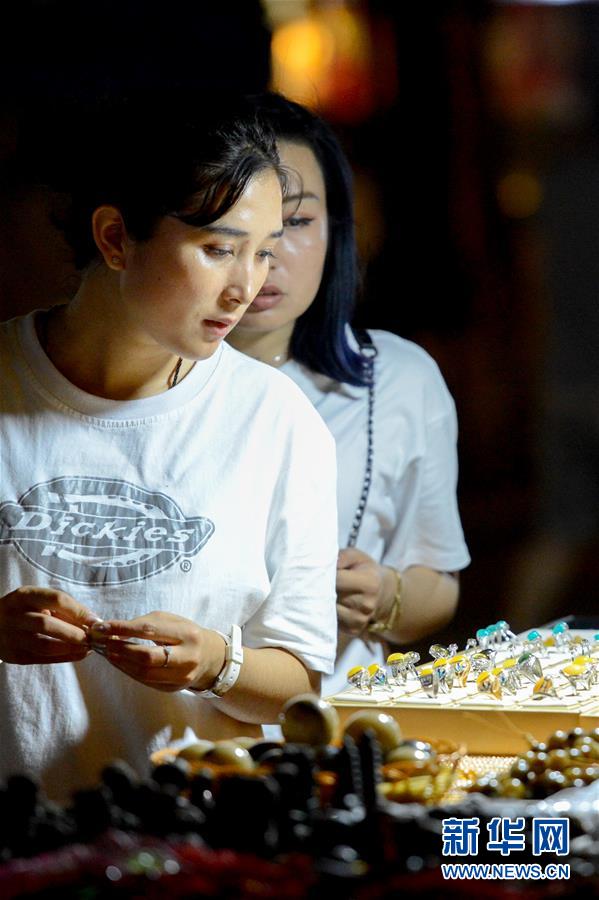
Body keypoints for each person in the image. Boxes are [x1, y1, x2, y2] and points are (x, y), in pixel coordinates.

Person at [0, 96, 338, 800]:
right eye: (218, 248)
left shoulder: (275, 420)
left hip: (196, 841)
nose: (247, 286)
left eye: (265, 251)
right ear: (116, 237)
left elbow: (301, 681)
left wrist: (215, 662)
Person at [228, 94, 470, 697]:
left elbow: (437, 584)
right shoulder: (149, 379)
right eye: (234, 224)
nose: (268, 254)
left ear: (338, 228)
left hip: (334, 723)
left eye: (297, 222)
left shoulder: (399, 378)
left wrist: (385, 594)